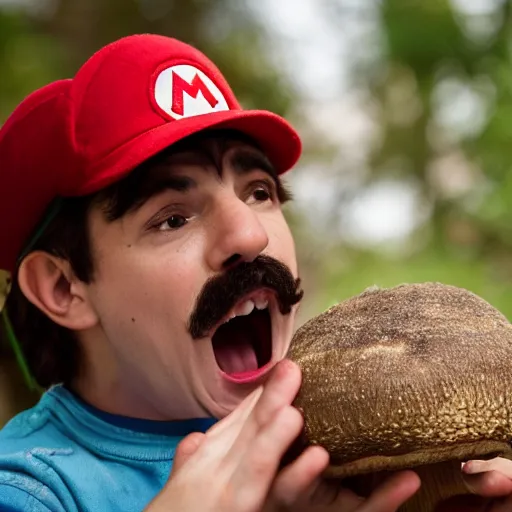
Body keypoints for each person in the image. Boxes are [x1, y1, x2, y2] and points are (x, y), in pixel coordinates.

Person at [0, 33, 510, 512]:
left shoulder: (355, 451)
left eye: (259, 193)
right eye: (173, 218)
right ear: (64, 288)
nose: (250, 235)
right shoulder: (27, 490)